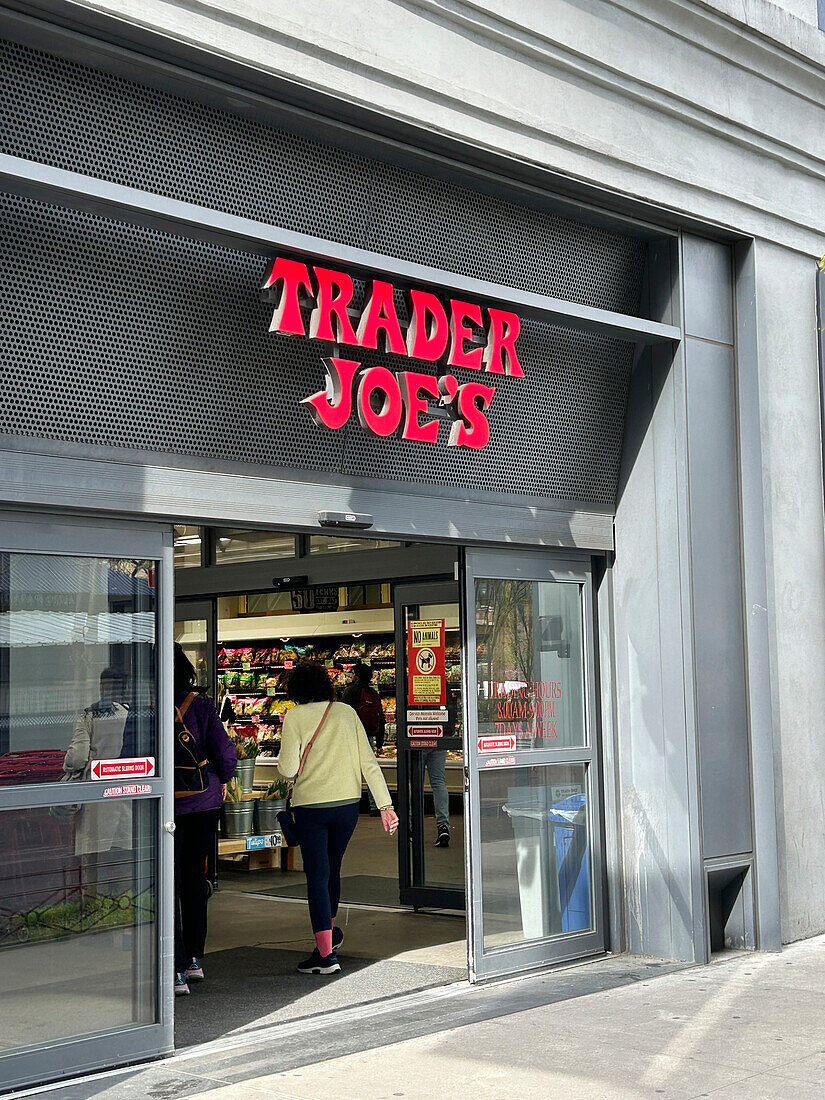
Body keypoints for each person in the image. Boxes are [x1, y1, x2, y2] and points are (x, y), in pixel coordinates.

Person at [278, 662, 398, 976]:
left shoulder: (295, 717)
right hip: (347, 806)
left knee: (316, 875)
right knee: (332, 870)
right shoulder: (346, 712)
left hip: (311, 808)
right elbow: (369, 763)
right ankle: (327, 940)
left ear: (297, 690)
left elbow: (288, 769)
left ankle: (325, 956)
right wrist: (385, 806)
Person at [173, 643, 237, 997]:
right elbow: (225, 752)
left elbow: (127, 752)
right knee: (195, 880)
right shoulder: (201, 704)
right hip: (202, 803)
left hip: (165, 806)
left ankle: (176, 967)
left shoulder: (147, 707)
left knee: (169, 884)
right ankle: (195, 959)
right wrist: (223, 780)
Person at [63, 668, 132, 887]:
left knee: (92, 852)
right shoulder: (132, 713)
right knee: (125, 850)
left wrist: (66, 767)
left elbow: (77, 757)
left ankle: (93, 899)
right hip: (125, 790)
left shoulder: (89, 715)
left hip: (97, 792)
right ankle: (126, 897)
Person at [340, 662, 386, 815]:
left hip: (351, 736)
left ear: (357, 676)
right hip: (369, 736)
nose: (351, 676)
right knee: (370, 770)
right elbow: (381, 717)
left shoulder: (350, 691)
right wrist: (380, 742)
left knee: (348, 771)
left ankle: (348, 803)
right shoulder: (373, 693)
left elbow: (342, 715)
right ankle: (375, 806)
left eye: (352, 674)